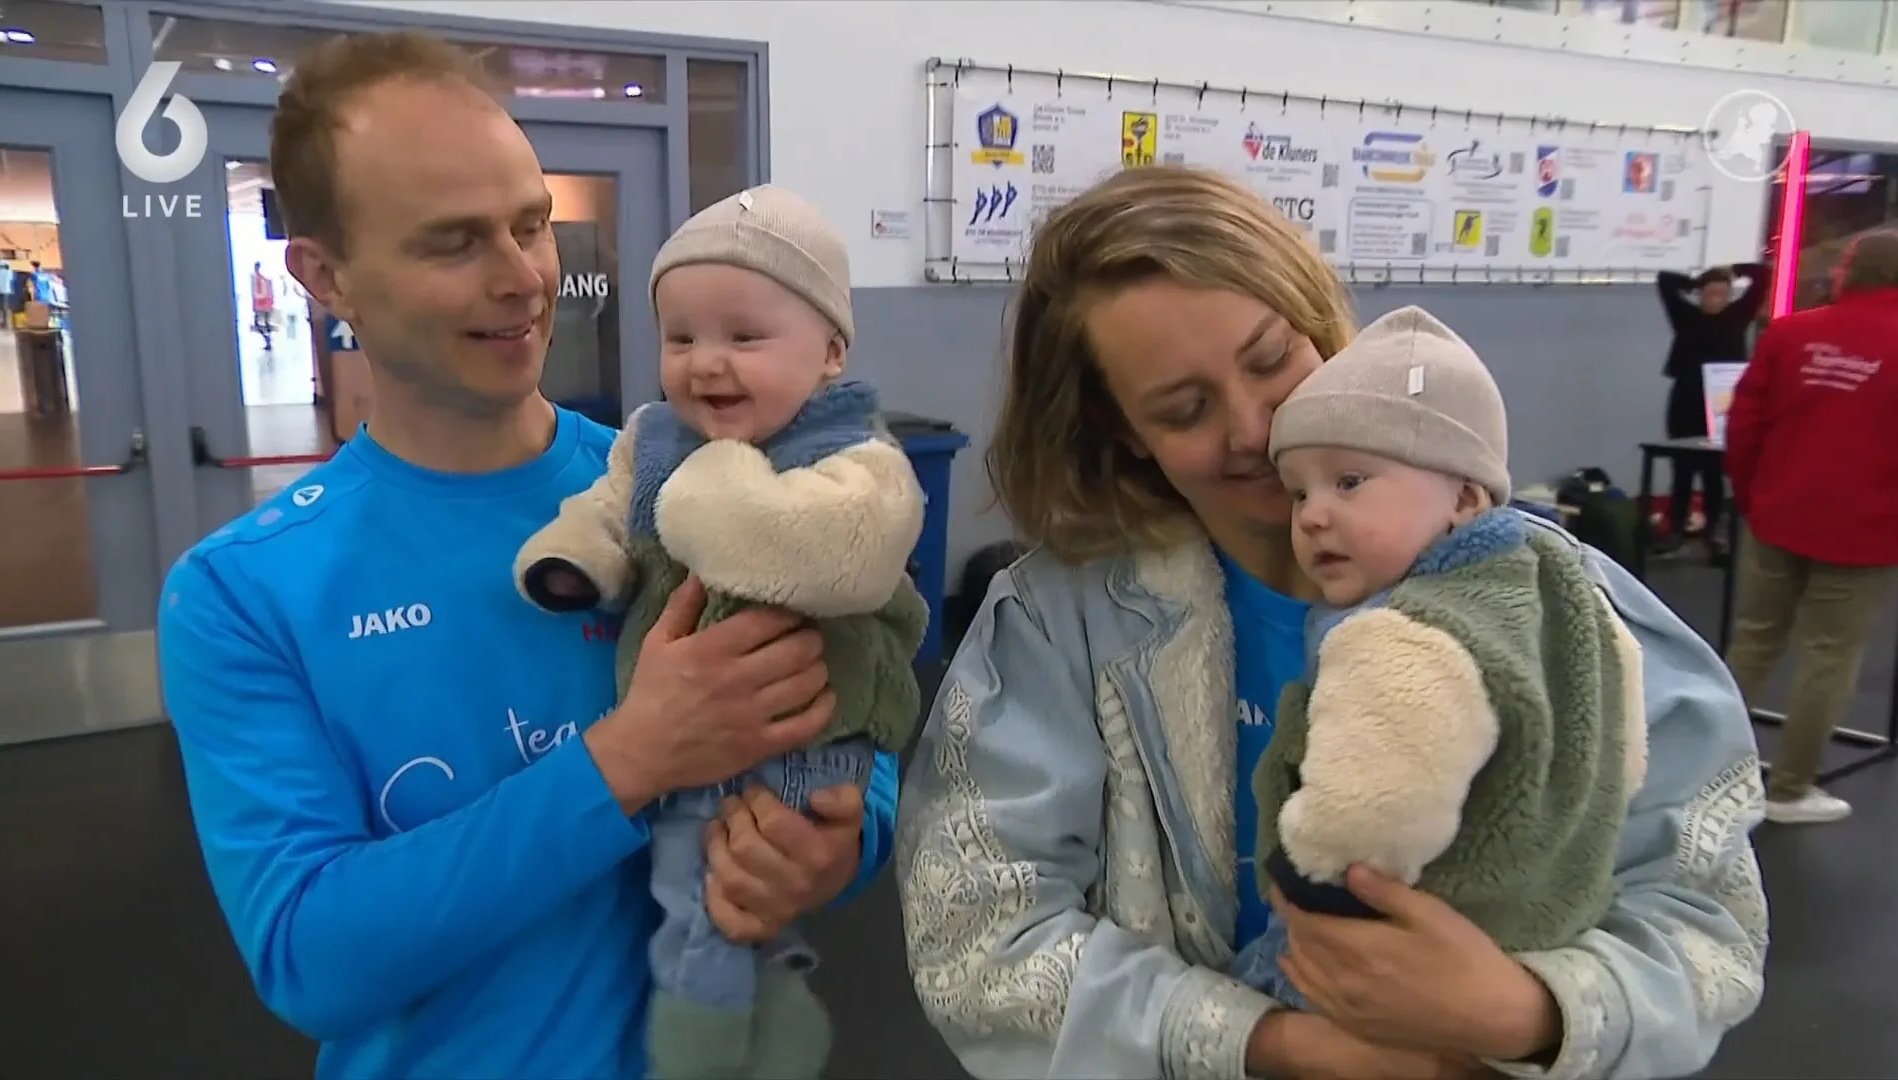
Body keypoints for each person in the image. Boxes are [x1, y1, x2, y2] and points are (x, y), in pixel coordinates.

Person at [896, 166, 1767, 1080]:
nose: (1254, 425)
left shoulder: (1555, 602)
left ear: (1320, 320)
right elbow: (980, 941)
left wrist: (1527, 1014)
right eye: (1184, 409)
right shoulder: (1059, 625)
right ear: (1122, 432)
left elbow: (1705, 916)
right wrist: (1278, 1047)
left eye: (1272, 359)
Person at [155, 31, 897, 1080]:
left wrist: (839, 840)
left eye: (531, 224)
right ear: (326, 277)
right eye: (454, 242)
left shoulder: (698, 494)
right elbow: (309, 956)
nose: (524, 278)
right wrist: (633, 758)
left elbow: (852, 716)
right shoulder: (240, 595)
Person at [512, 184, 929, 1079]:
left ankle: (698, 1058)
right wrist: (574, 561)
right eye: (681, 338)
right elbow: (609, 508)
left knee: (711, 901)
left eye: (744, 339)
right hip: (692, 752)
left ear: (830, 352)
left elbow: (839, 554)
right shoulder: (656, 440)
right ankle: (770, 1019)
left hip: (809, 741)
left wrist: (709, 490)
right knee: (704, 899)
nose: (707, 365)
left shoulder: (857, 452)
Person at [1235, 306, 1647, 1012]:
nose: (1311, 515)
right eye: (1300, 490)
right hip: (1542, 937)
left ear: (1463, 494)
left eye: (1350, 482)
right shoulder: (1564, 590)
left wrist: (1304, 879)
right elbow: (1625, 746)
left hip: (1379, 964)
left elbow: (1366, 820)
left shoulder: (1404, 636)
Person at [1722, 226, 1898, 826]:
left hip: (1777, 513)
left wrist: (1753, 496)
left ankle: (1703, 772)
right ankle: (1788, 789)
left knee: (1752, 641)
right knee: (1829, 657)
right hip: (1867, 531)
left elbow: (1744, 426)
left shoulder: (1790, 333)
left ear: (1851, 272)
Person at [1653, 262, 1768, 557]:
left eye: (1722, 293)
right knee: (1682, 467)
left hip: (1720, 402)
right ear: (1701, 295)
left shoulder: (1738, 316)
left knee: (1714, 470)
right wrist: (1692, 282)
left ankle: (1714, 531)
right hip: (1686, 399)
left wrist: (1733, 269)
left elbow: (1763, 275)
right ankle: (1676, 527)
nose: (1716, 300)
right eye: (1710, 293)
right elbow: (1666, 279)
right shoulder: (1685, 317)